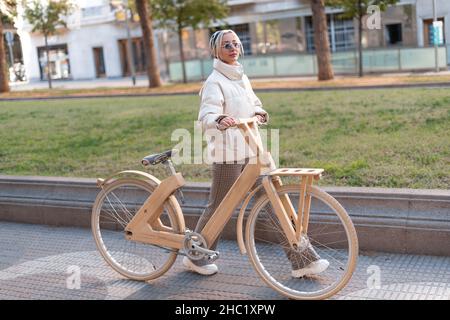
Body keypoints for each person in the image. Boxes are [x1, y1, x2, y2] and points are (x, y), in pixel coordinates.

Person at [183, 29, 329, 278]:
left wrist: (260, 112)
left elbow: (254, 103)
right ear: (216, 51)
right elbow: (206, 115)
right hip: (228, 153)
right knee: (219, 206)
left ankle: (303, 260)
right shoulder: (214, 82)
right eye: (227, 45)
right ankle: (196, 257)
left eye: (236, 43)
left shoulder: (241, 77)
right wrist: (220, 119)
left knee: (274, 200)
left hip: (253, 149)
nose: (233, 48)